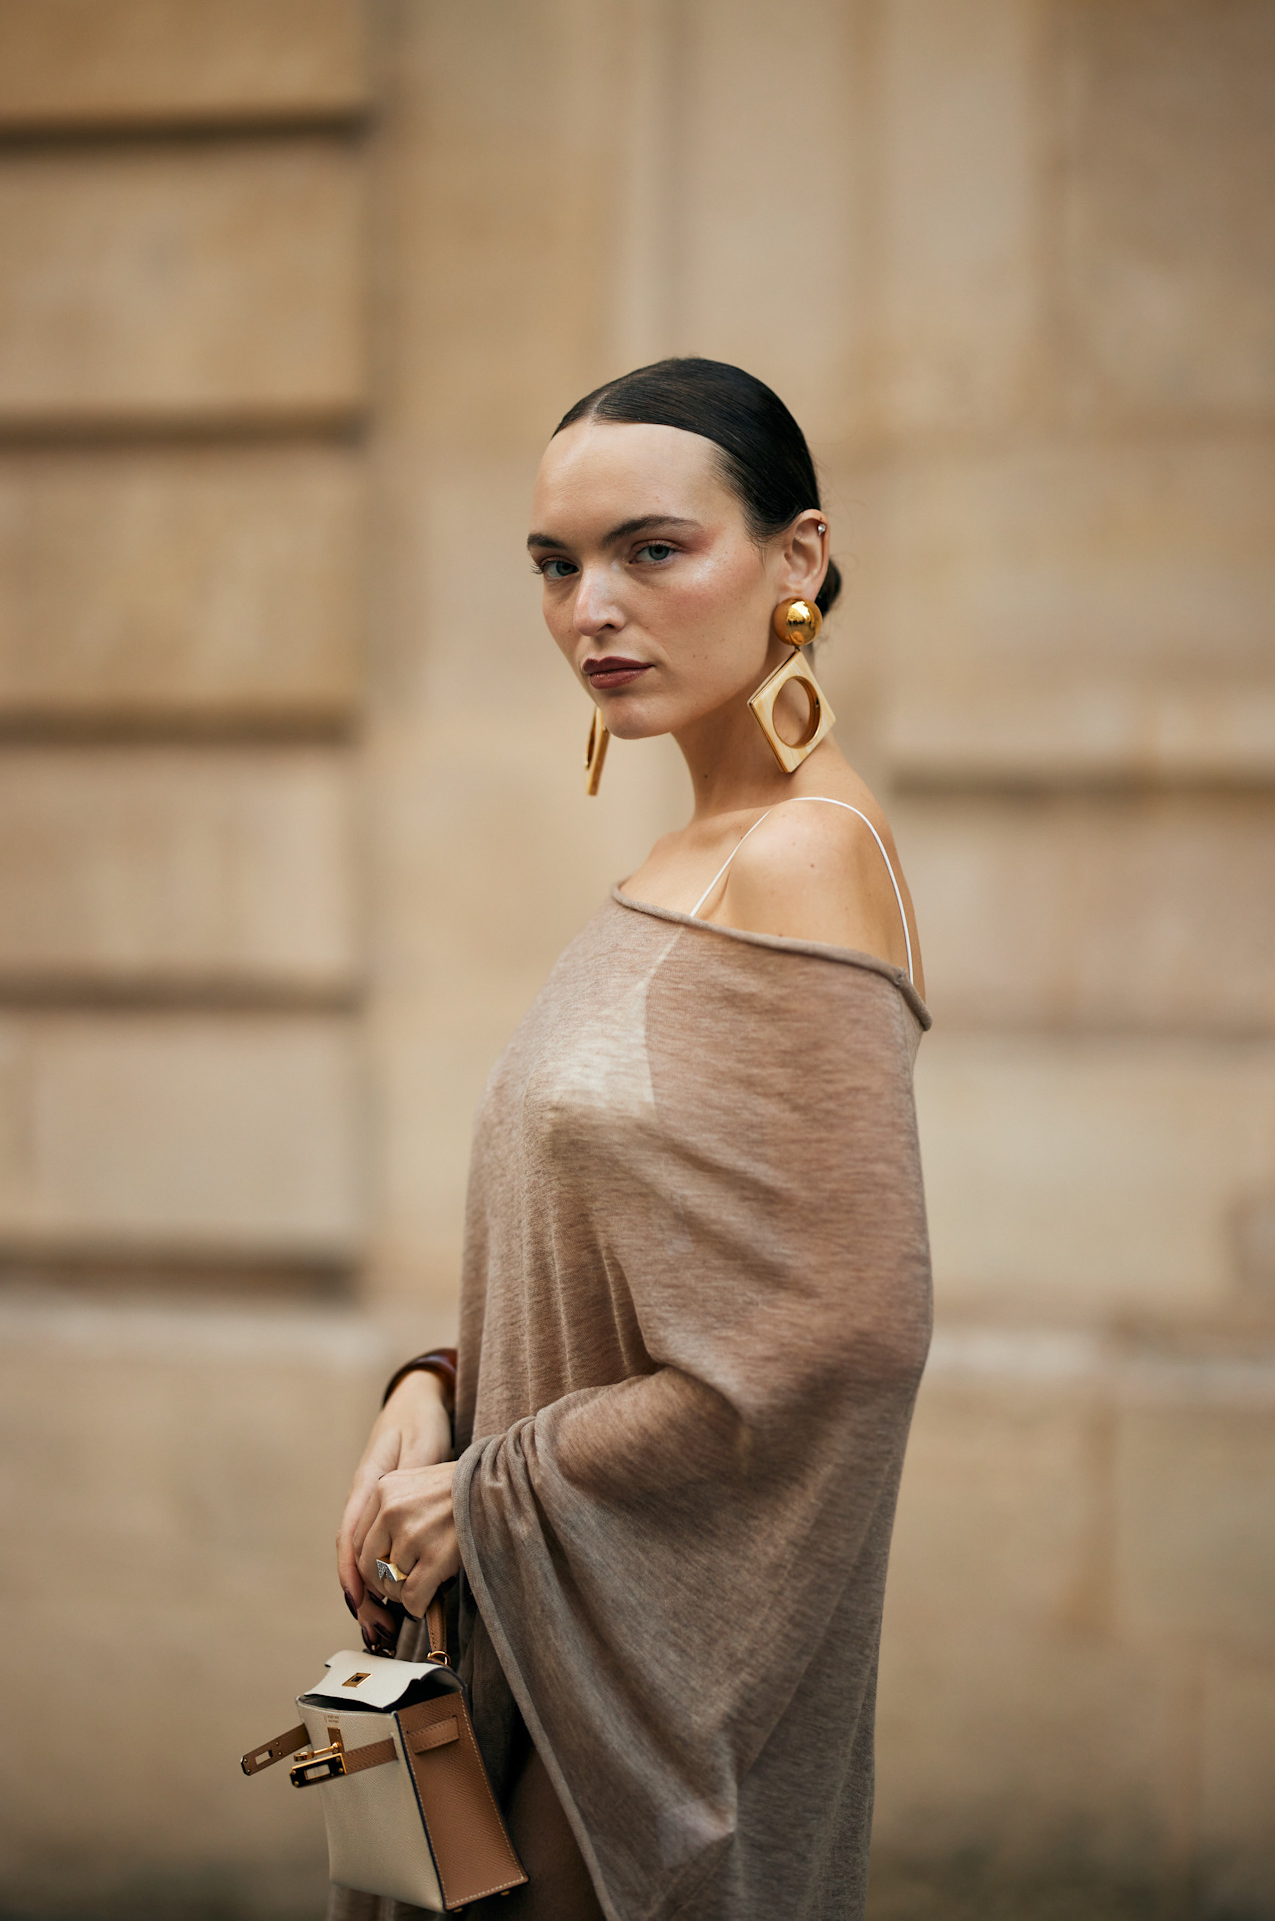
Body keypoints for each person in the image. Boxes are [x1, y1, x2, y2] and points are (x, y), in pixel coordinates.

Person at [334, 357, 932, 1921]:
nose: (590, 608)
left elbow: (844, 1334)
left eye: (651, 551)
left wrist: (491, 1492)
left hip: (644, 1733)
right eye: (556, 564)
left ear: (797, 557)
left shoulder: (803, 859)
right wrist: (436, 1390)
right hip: (532, 1642)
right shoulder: (689, 854)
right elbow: (611, 1256)